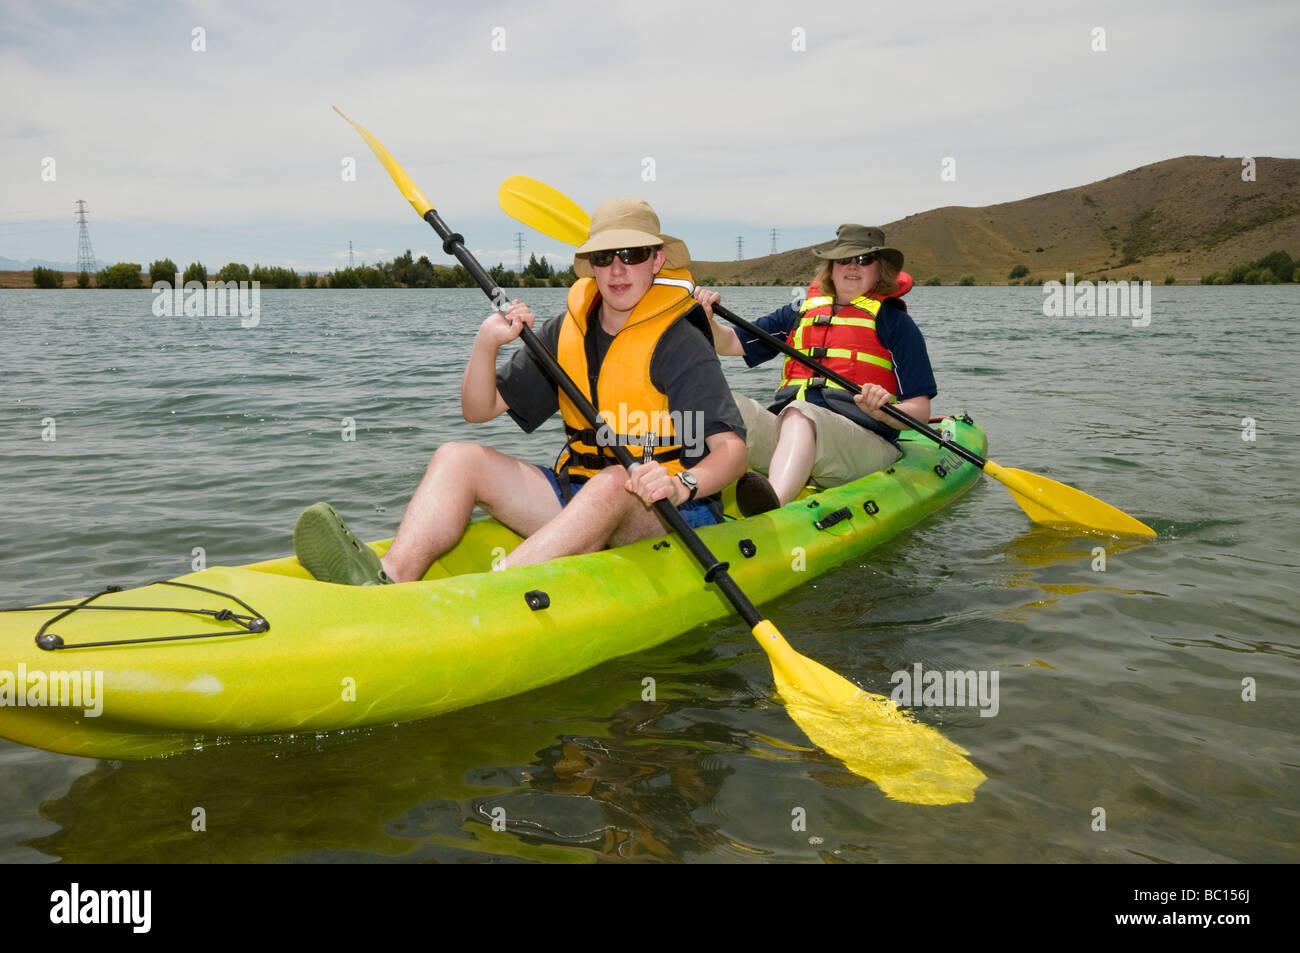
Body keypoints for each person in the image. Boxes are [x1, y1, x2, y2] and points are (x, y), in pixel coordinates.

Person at [294, 198, 747, 585]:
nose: (617, 269)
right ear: (590, 266)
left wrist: (682, 483)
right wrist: (486, 343)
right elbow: (479, 409)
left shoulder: (681, 340)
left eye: (631, 254)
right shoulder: (563, 332)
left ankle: (496, 591)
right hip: (576, 496)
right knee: (459, 456)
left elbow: (731, 452)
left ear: (657, 260)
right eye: (604, 257)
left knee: (615, 484)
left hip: (668, 515)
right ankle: (390, 578)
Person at [694, 224, 935, 515]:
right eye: (843, 259)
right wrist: (706, 317)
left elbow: (920, 412)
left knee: (800, 413)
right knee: (712, 401)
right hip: (793, 436)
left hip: (864, 445)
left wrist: (881, 409)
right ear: (831, 267)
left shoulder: (896, 323)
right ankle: (686, 496)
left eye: (863, 260)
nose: (852, 267)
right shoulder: (799, 312)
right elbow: (731, 342)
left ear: (879, 269)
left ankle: (773, 510)